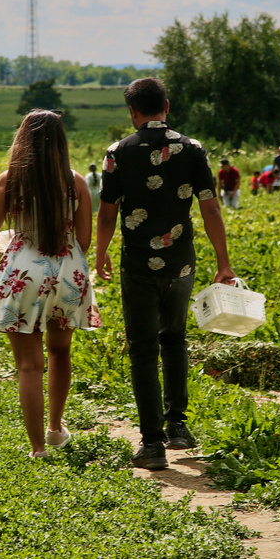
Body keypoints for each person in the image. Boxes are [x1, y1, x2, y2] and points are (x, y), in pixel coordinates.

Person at [95, 78, 234, 470]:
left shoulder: (118, 152)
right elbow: (210, 209)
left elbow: (107, 212)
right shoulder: (192, 150)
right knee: (174, 340)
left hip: (137, 265)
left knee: (143, 349)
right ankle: (178, 428)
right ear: (167, 106)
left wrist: (101, 253)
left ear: (133, 112)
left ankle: (152, 444)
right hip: (181, 265)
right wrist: (223, 263)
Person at [0, 109, 100, 459]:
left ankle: (37, 448)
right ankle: (56, 428)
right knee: (60, 352)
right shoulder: (76, 182)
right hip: (67, 272)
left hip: (23, 272)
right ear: (61, 141)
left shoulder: (8, 180)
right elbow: (84, 240)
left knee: (29, 365)